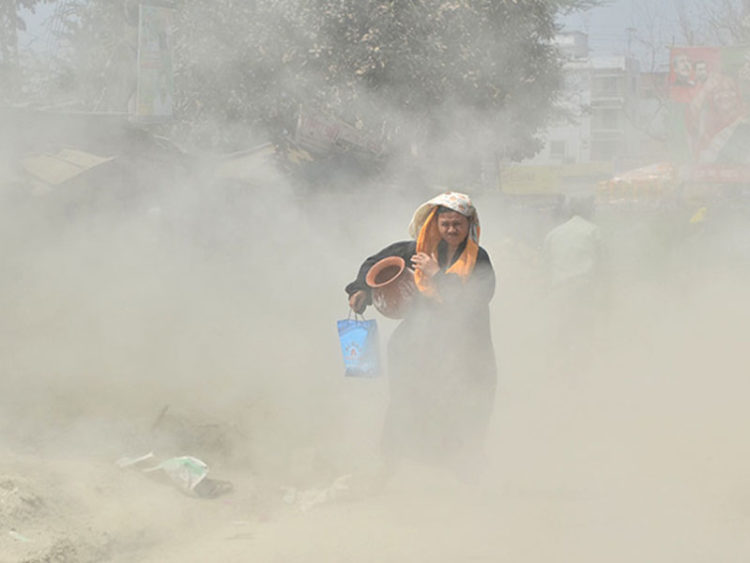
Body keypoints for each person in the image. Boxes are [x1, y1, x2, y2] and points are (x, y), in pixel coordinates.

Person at [345, 191, 497, 481]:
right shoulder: (416, 250)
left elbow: (475, 298)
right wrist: (360, 289)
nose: (451, 230)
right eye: (445, 224)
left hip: (464, 348)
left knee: (461, 407)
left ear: (470, 226)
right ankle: (388, 467)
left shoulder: (478, 259)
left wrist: (437, 274)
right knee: (405, 400)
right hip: (416, 344)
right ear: (435, 225)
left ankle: (466, 475)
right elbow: (373, 263)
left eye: (458, 224)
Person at [542, 195, 607, 372]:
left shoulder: (553, 234)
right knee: (584, 334)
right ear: (589, 210)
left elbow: (546, 268)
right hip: (584, 290)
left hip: (559, 292)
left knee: (562, 335)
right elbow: (603, 266)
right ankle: (582, 372)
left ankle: (561, 373)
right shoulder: (594, 231)